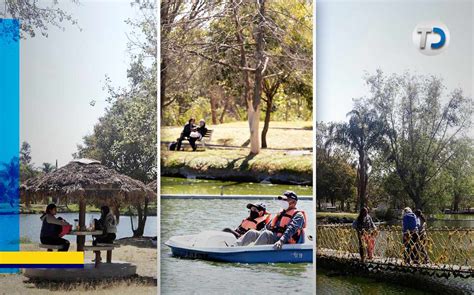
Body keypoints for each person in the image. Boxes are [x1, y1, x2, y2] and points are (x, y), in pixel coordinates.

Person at [235, 191, 307, 249]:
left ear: (294, 202)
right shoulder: (281, 213)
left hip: (285, 242)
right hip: (275, 238)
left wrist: (281, 241)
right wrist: (258, 234)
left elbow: (291, 229)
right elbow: (267, 227)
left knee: (266, 234)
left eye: (285, 200)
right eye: (282, 199)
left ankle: (253, 252)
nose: (282, 201)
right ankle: (233, 247)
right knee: (252, 233)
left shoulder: (298, 215)